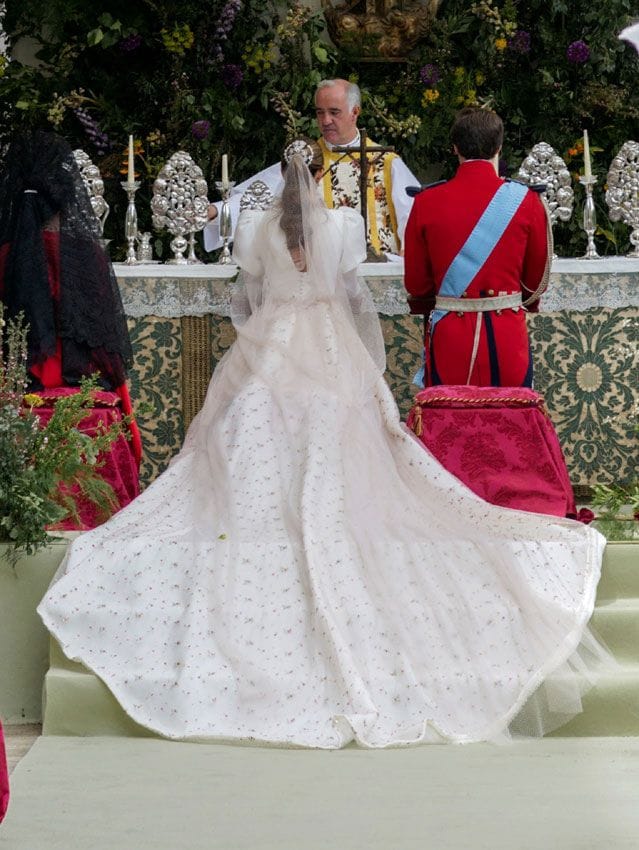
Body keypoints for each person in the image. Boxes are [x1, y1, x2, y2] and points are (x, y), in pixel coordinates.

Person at [39, 139, 609, 749]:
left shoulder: (256, 226)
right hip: (332, 342)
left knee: (251, 431)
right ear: (319, 177)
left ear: (277, 178)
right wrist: (364, 357)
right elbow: (354, 297)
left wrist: (269, 327)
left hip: (275, 339)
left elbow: (247, 296)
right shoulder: (344, 223)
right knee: (344, 441)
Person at [0, 129, 142, 516]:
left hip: (19, 382)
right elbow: (101, 336)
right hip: (78, 383)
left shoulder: (5, 255)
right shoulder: (86, 256)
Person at [404, 107, 551, 387]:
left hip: (449, 338)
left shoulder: (426, 202)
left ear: (455, 148)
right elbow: (534, 284)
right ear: (499, 146)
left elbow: (417, 285)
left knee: (450, 422)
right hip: (507, 336)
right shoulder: (526, 201)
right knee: (511, 423)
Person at [204, 79, 418, 257]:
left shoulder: (386, 161)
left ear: (355, 112)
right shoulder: (307, 158)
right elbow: (260, 194)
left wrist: (410, 256)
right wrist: (216, 211)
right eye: (320, 113)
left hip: (380, 270)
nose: (326, 120)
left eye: (334, 112)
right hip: (324, 272)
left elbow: (413, 216)